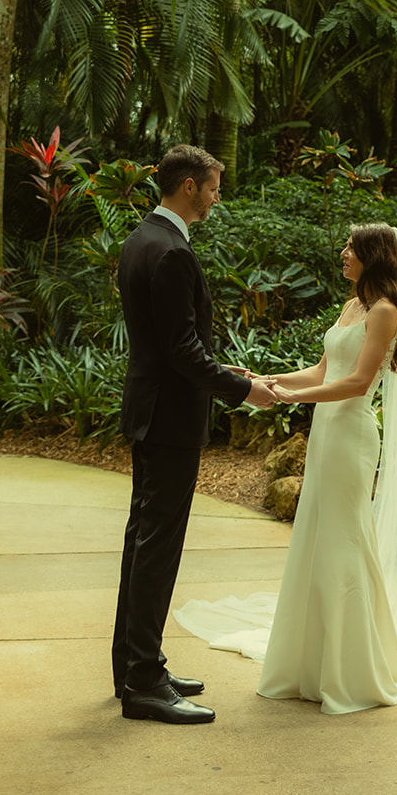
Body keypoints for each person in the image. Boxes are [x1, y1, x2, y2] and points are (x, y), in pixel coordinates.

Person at [175, 222, 397, 715]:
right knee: (318, 537)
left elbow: (358, 383)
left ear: (373, 256)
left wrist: (294, 398)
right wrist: (268, 380)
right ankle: (313, 662)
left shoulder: (384, 312)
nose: (342, 253)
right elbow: (324, 371)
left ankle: (352, 666)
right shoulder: (352, 306)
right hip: (326, 436)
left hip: (351, 437)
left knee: (345, 540)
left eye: (351, 247)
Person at [112, 144, 276, 726]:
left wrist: (230, 373)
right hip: (171, 420)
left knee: (142, 543)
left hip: (150, 413)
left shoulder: (140, 239)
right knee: (157, 549)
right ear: (188, 186)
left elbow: (165, 344)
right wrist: (240, 388)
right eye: (212, 187)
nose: (216, 196)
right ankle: (144, 686)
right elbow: (183, 350)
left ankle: (135, 664)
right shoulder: (173, 252)